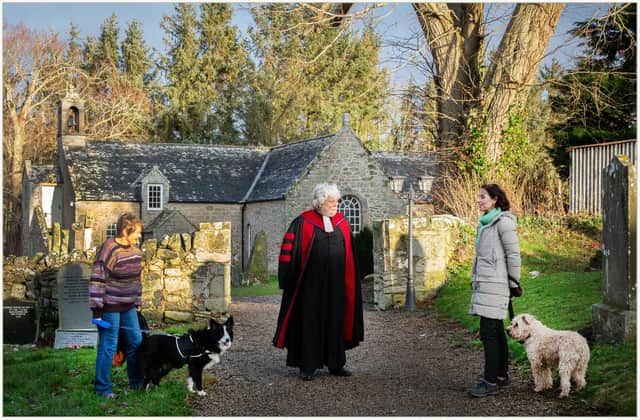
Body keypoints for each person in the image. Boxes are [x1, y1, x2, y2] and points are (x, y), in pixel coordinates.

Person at [273, 183, 364, 381]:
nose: (336, 205)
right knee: (310, 323)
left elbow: (351, 256)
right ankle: (308, 365)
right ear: (320, 202)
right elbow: (289, 253)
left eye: (337, 201)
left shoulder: (342, 222)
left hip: (338, 286)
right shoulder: (302, 223)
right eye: (332, 201)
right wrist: (287, 279)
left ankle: (336, 363)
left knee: (336, 322)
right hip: (310, 288)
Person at [468, 184, 521, 397]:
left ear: (495, 199)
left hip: (497, 284)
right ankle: (501, 376)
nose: (478, 200)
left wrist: (514, 282)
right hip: (486, 283)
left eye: (483, 197)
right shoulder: (485, 223)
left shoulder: (503, 223)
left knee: (489, 332)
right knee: (496, 330)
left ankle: (490, 381)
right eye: (478, 196)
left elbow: (513, 254)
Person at [89, 212, 145, 398]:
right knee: (109, 345)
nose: (139, 236)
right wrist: (97, 310)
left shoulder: (136, 252)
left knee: (136, 341)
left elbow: (136, 280)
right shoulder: (109, 249)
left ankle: (136, 383)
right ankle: (102, 388)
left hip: (128, 306)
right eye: (136, 233)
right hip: (109, 306)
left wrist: (137, 302)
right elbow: (97, 280)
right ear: (124, 231)